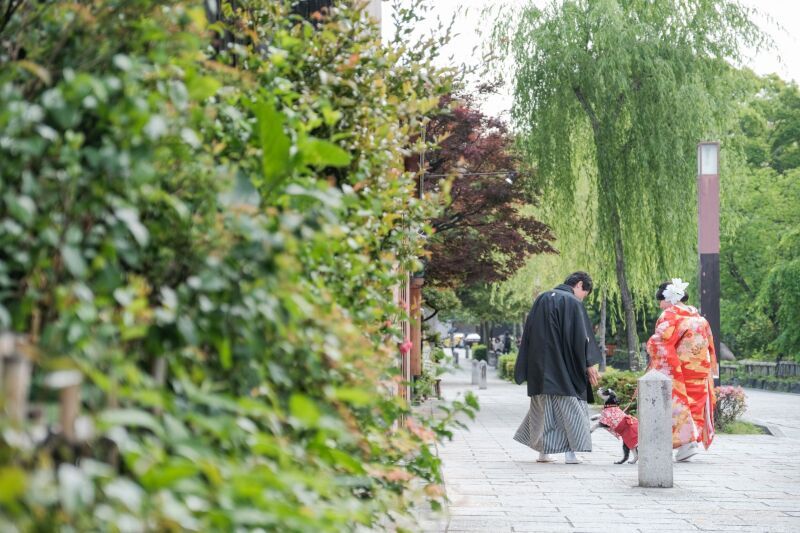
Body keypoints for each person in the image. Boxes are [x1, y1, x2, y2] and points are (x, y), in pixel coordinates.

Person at [513, 272, 601, 464]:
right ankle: (571, 453)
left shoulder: (542, 298)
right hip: (564, 365)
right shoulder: (572, 302)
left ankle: (543, 453)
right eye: (584, 294)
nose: (582, 298)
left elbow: (528, 333)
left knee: (543, 407)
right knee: (571, 407)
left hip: (540, 365)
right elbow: (581, 337)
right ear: (579, 285)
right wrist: (588, 363)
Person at [646, 279, 717, 462]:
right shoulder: (698, 318)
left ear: (669, 299)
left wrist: (654, 354)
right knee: (694, 404)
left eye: (661, 300)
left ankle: (687, 443)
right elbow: (709, 346)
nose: (660, 305)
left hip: (680, 369)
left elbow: (659, 341)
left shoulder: (670, 315)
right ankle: (691, 442)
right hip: (700, 369)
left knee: (678, 404)